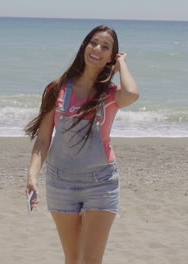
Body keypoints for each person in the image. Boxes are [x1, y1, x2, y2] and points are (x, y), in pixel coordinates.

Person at [25, 25, 139, 264]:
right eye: (93, 42)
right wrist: (32, 176)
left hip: (100, 182)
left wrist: (122, 65)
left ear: (111, 57)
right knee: (73, 258)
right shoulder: (56, 89)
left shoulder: (111, 93)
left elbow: (132, 93)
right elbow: (44, 139)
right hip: (60, 182)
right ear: (84, 46)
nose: (97, 49)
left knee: (90, 260)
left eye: (105, 47)